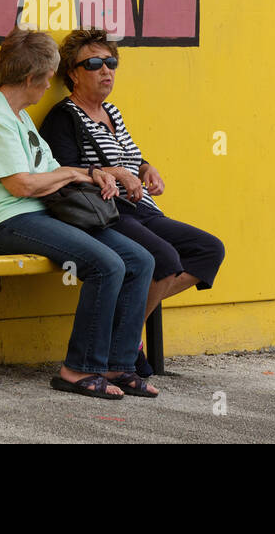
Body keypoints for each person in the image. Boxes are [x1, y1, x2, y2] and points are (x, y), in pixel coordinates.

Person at [0, 27, 158, 399]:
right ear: (33, 78)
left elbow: (48, 169)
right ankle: (78, 369)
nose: (49, 85)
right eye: (48, 78)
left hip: (40, 214)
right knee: (107, 265)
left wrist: (95, 173)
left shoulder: (20, 118)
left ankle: (119, 364)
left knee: (140, 260)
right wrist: (71, 172)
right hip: (4, 221)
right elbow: (22, 186)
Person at [40, 29, 225, 377]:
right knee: (165, 259)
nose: (106, 70)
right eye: (94, 63)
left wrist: (145, 168)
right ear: (73, 74)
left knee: (209, 249)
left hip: (141, 209)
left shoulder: (112, 112)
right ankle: (124, 346)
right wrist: (115, 174)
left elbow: (130, 156)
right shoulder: (64, 117)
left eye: (111, 62)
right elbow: (62, 170)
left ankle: (122, 336)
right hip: (105, 212)